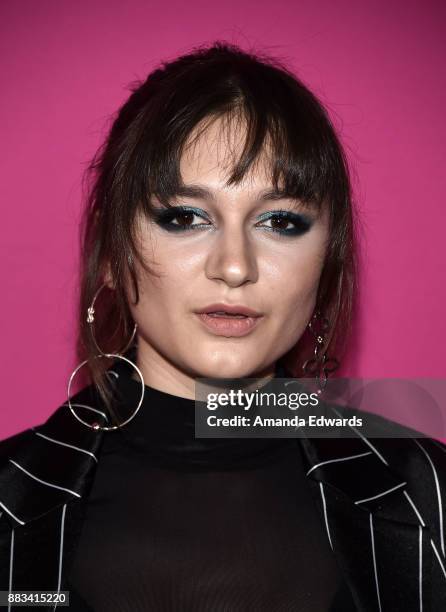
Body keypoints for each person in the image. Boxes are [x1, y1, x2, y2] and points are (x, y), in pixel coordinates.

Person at [0, 41, 445, 612]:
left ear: (327, 261)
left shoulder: (428, 491)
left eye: (280, 221)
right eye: (185, 217)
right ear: (111, 252)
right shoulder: (10, 493)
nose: (235, 266)